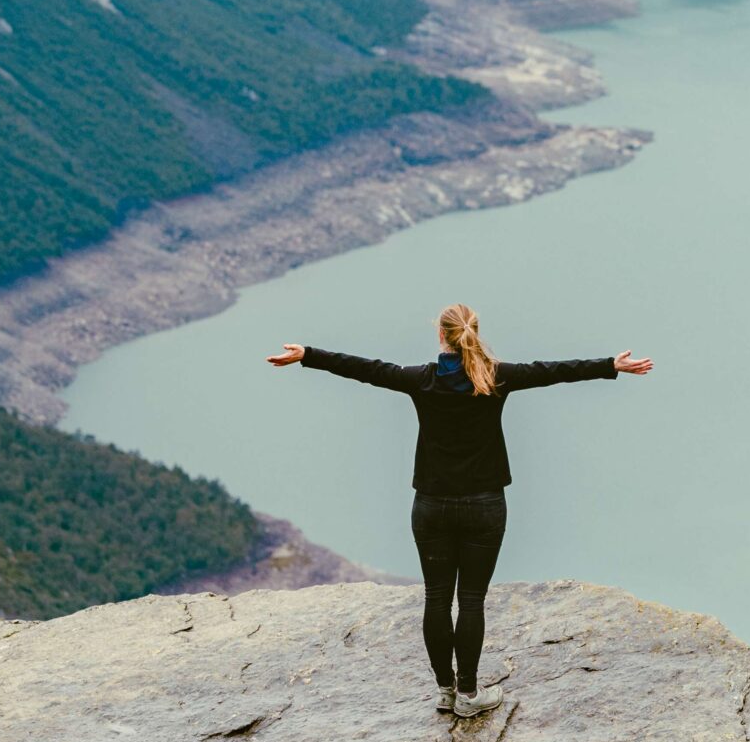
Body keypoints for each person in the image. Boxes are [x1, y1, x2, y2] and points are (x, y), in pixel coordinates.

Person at [268, 306, 652, 717]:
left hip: (431, 505)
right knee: (471, 600)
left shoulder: (421, 380)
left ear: (441, 336)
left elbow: (367, 369)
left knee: (436, 598)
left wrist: (308, 354)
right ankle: (469, 695)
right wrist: (611, 365)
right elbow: (553, 370)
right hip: (484, 506)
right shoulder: (496, 377)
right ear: (475, 333)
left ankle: (445, 693)